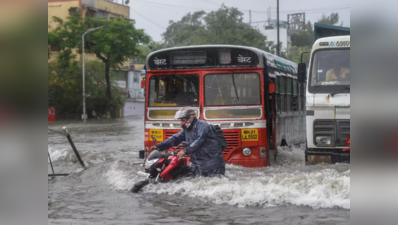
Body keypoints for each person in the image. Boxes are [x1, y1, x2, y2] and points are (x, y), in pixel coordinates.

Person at [150, 107, 225, 177]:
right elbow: (175, 138)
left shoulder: (203, 126)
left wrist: (185, 151)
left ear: (190, 118)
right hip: (197, 164)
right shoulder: (187, 129)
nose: (181, 123)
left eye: (183, 120)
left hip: (212, 163)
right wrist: (159, 146)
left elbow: (199, 141)